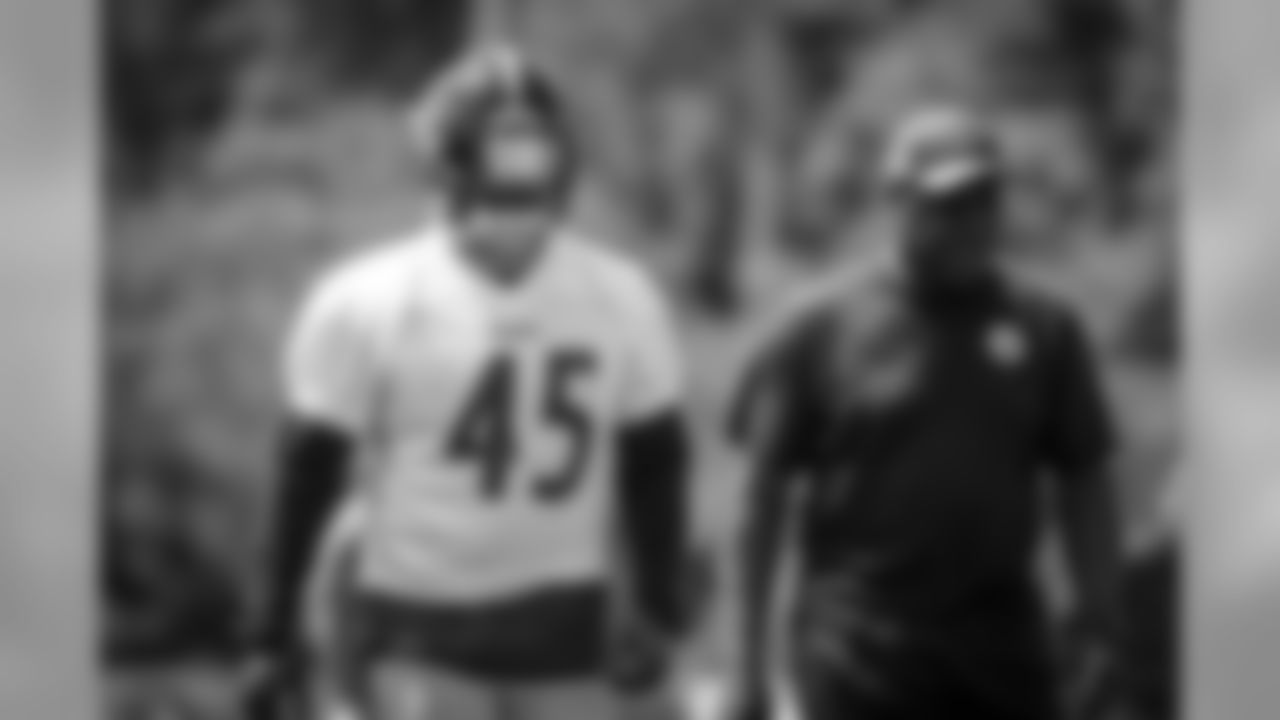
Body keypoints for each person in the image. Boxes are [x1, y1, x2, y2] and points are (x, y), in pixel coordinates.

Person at [246, 45, 695, 720]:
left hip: (559, 642)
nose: (515, 187)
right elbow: (307, 471)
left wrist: (659, 607)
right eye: (500, 153)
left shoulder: (620, 296)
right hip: (426, 640)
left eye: (529, 152)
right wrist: (272, 633)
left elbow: (656, 460)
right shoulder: (373, 299)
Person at [726, 103, 1132, 720]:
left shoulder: (1047, 328)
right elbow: (760, 500)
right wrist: (747, 668)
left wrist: (1100, 621)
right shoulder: (816, 328)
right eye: (948, 204)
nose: (972, 221)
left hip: (1003, 659)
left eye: (985, 200)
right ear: (896, 200)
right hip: (858, 659)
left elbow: (1086, 476)